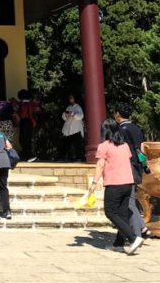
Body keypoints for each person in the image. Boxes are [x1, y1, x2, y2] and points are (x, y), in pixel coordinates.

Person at [88, 119, 144, 254]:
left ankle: (133, 237)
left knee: (110, 212)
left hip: (114, 183)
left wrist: (94, 183)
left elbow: (100, 165)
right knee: (122, 214)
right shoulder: (124, 145)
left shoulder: (104, 146)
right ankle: (118, 244)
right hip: (128, 183)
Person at [113, 102, 147, 238]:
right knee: (131, 200)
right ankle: (140, 229)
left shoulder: (122, 130)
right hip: (138, 165)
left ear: (118, 114)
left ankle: (140, 231)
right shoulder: (136, 128)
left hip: (128, 166)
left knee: (129, 202)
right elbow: (141, 148)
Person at [17, 89, 39, 160]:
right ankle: (29, 155)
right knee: (27, 139)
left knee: (23, 139)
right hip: (30, 122)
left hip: (25, 122)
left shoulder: (24, 104)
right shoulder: (31, 103)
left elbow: (23, 115)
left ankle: (28, 155)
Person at [62, 95, 84, 161]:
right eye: (70, 98)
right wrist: (66, 115)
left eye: (72, 97)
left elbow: (81, 116)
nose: (70, 99)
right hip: (68, 129)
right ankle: (69, 158)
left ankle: (78, 158)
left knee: (77, 144)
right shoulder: (68, 107)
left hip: (76, 129)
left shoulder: (78, 107)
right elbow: (63, 117)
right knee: (68, 144)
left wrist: (73, 114)